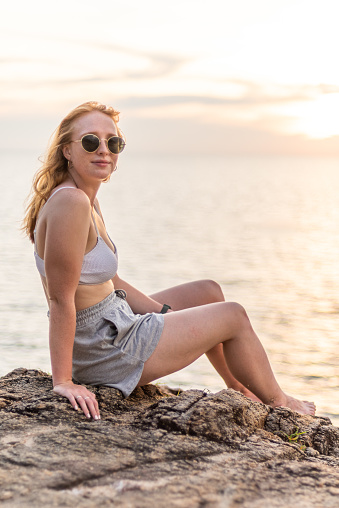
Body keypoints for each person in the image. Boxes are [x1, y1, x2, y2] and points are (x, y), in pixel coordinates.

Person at [23, 101, 316, 421]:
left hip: (116, 319)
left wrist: (164, 314)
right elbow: (60, 297)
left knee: (208, 291)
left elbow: (113, 282)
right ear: (67, 150)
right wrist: (63, 381)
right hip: (105, 347)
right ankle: (279, 402)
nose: (104, 150)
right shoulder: (71, 201)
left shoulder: (86, 197)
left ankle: (238, 385)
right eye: (91, 141)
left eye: (113, 142)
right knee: (233, 315)